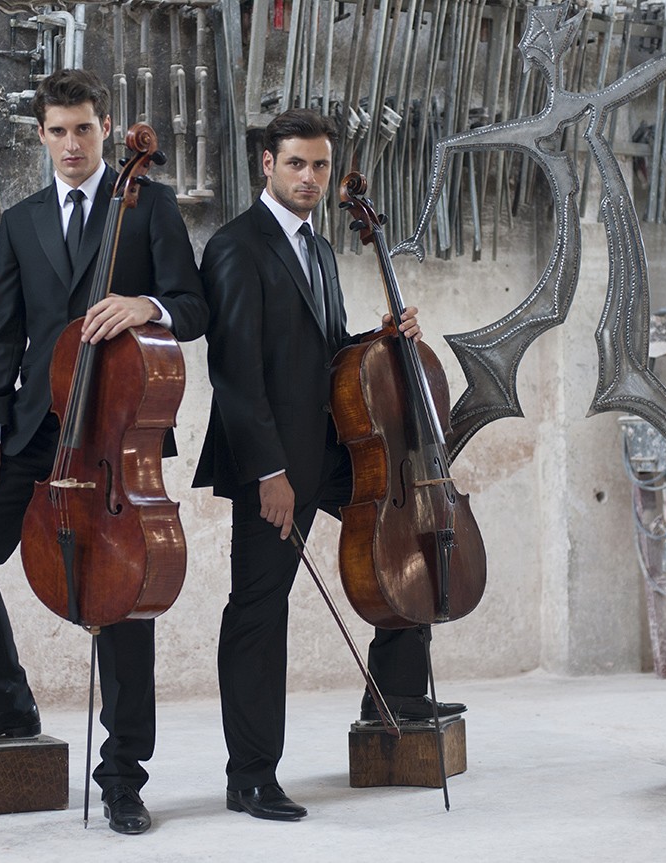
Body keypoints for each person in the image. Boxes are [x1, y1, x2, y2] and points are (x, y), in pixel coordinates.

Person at [0, 68, 208, 835]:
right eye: (58, 131)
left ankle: (123, 776)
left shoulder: (148, 205)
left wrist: (145, 304)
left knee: (124, 596)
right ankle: (7, 703)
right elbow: (4, 340)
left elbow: (194, 307)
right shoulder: (21, 222)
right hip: (34, 429)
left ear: (106, 127)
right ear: (41, 135)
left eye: (84, 128)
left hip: (113, 431)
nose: (72, 144)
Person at [193, 108, 465, 822]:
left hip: (332, 448)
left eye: (319, 165)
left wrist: (379, 336)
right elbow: (235, 374)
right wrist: (267, 473)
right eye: (296, 164)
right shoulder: (234, 246)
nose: (310, 177)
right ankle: (251, 776)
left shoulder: (317, 249)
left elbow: (327, 351)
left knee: (408, 536)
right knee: (259, 609)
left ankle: (397, 694)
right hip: (275, 463)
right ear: (267, 165)